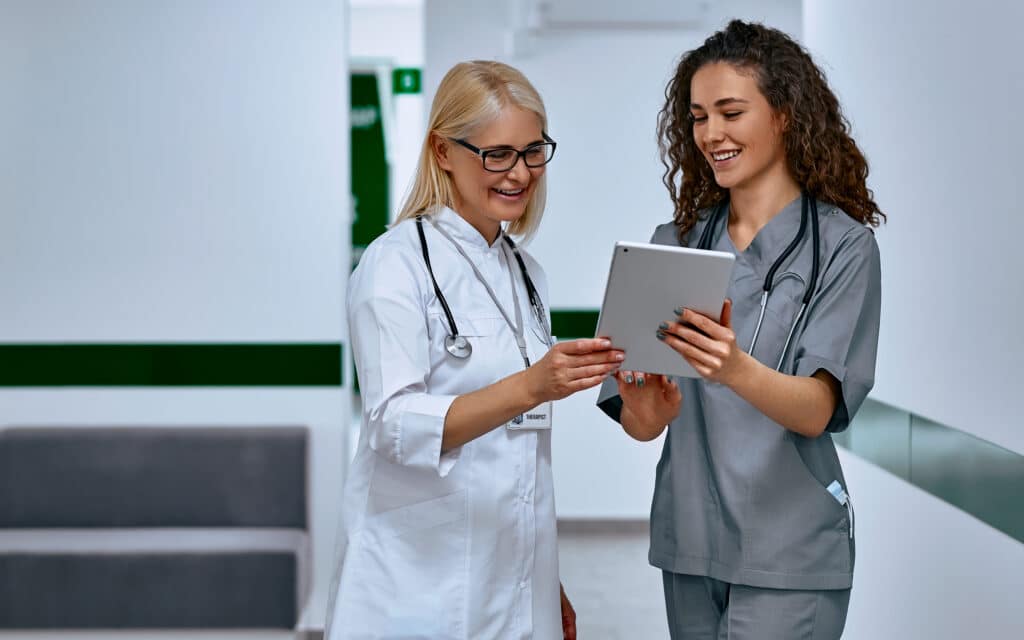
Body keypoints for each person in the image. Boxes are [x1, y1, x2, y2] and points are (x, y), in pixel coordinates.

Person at [597, 20, 885, 639]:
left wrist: (732, 369)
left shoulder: (842, 247)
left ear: (784, 114)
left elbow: (818, 409)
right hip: (691, 546)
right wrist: (646, 410)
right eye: (699, 117)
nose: (711, 134)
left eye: (731, 112)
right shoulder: (670, 246)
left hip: (791, 551)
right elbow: (640, 421)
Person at [326, 60, 623, 640]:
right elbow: (392, 425)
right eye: (497, 154)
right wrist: (532, 386)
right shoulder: (395, 265)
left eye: (534, 151)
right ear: (443, 152)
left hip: (511, 577)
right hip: (417, 581)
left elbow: (522, 462)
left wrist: (545, 576)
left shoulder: (525, 272)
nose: (519, 173)